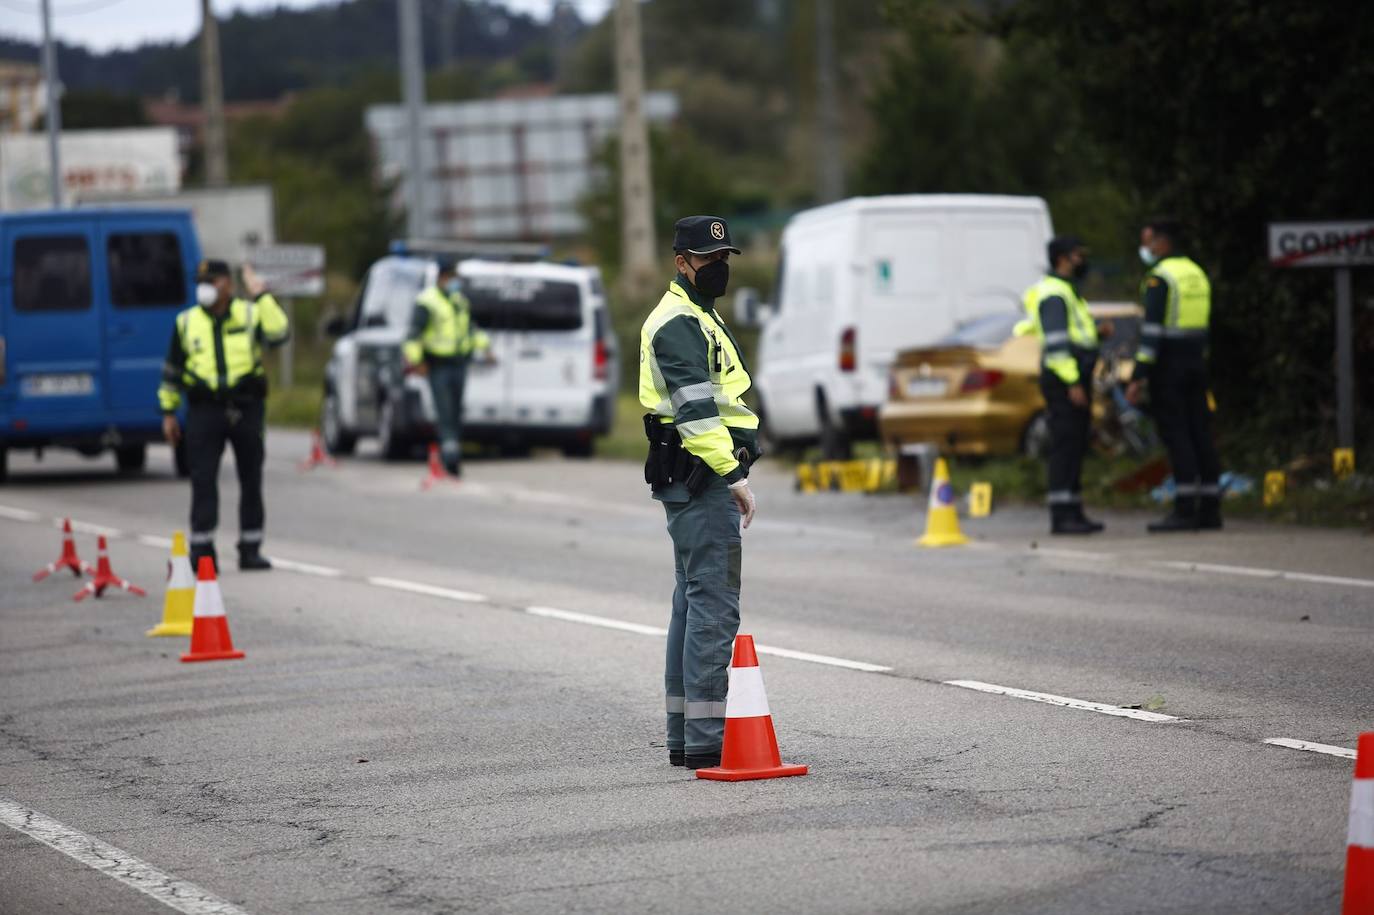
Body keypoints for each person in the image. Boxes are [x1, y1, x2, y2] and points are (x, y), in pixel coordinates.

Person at [640, 215, 760, 770]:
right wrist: (732, 476)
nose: (719, 268)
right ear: (680, 263)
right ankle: (707, 738)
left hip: (695, 471)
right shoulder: (679, 322)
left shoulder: (696, 315)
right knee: (712, 603)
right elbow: (695, 409)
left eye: (724, 259)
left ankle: (687, 735)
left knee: (692, 601)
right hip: (702, 473)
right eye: (708, 260)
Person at [159, 260, 290, 572]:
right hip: (205, 409)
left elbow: (280, 332)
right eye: (201, 281)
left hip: (246, 406)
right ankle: (202, 550)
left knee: (251, 477)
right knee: (203, 478)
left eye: (212, 280)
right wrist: (168, 413)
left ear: (228, 284)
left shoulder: (249, 313)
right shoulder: (186, 322)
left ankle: (250, 547)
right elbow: (171, 372)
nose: (205, 287)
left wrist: (261, 295)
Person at [1127, 218, 1222, 531]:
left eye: (1148, 240)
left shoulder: (1160, 278)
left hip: (1169, 366)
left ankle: (1184, 509)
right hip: (1196, 362)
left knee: (1177, 434)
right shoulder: (1195, 273)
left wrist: (1139, 375)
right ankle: (1210, 509)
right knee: (1200, 433)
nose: (1145, 247)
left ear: (1161, 242)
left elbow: (1152, 332)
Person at [1022, 235, 1108, 535]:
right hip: (1064, 379)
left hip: (1072, 376)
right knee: (1065, 445)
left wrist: (1098, 335)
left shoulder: (1067, 292)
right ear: (1062, 258)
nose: (1082, 260)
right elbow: (1058, 346)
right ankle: (1062, 515)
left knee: (1075, 444)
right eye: (1077, 255)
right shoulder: (1055, 294)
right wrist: (1073, 382)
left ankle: (1073, 511)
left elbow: (1075, 336)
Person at [403, 259, 490, 477]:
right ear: (442, 278)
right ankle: (450, 459)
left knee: (456, 412)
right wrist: (417, 361)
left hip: (459, 363)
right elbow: (413, 336)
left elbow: (469, 330)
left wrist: (486, 348)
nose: (455, 282)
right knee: (445, 411)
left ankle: (451, 453)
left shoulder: (459, 301)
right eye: (452, 277)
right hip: (438, 365)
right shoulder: (427, 301)